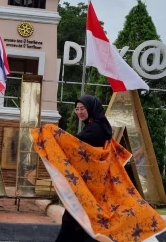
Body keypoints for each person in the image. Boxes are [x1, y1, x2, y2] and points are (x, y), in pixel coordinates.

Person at [55, 95, 113, 242]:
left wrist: (52, 135)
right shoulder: (98, 126)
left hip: (87, 183)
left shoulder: (94, 129)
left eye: (82, 109)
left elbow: (73, 145)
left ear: (91, 109)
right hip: (92, 183)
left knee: (74, 218)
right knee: (78, 219)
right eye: (77, 109)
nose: (79, 112)